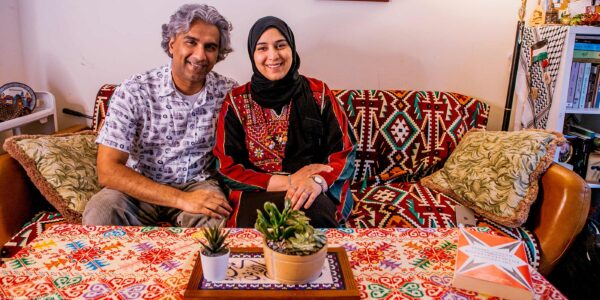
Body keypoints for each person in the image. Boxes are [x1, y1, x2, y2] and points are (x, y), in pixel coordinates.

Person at [83, 4, 238, 227]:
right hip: (140, 186)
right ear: (172, 43)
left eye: (210, 47)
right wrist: (181, 199)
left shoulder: (228, 93)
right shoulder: (135, 90)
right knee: (101, 213)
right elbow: (108, 170)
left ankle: (196, 263)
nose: (200, 55)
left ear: (219, 54)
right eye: (191, 42)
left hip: (198, 184)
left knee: (217, 224)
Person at [213, 16, 356, 228]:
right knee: (251, 229)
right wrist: (286, 182)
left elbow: (344, 152)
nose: (273, 55)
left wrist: (317, 183)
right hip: (258, 192)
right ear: (253, 54)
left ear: (292, 48)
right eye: (262, 48)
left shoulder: (319, 94)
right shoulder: (236, 102)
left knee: (316, 218)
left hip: (311, 189)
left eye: (281, 45)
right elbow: (226, 166)